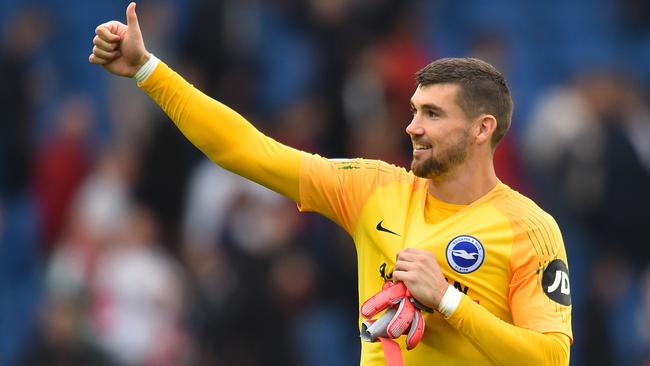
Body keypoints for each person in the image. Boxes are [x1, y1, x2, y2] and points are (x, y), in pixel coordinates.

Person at [89, 3, 572, 365]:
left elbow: (551, 357)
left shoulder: (528, 228)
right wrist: (149, 72)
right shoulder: (373, 189)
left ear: (482, 128)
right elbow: (246, 150)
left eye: (432, 114)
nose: (412, 127)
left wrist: (448, 300)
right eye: (413, 111)